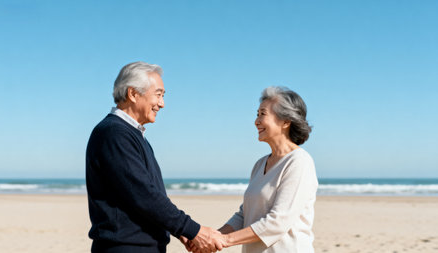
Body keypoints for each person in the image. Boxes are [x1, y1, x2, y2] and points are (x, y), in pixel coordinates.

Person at [85, 61, 224, 253]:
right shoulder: (113, 134)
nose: (162, 104)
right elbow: (143, 194)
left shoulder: (134, 135)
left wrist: (180, 231)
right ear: (133, 94)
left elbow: (152, 195)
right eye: (158, 95)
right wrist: (193, 230)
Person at [217, 86, 318, 253]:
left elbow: (277, 223)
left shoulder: (299, 162)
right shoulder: (260, 164)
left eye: (262, 114)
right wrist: (215, 236)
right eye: (257, 114)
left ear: (286, 121)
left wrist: (225, 240)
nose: (256, 121)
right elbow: (245, 215)